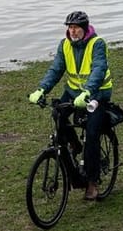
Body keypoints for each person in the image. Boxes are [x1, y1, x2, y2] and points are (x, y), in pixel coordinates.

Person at [26, 10, 115, 201]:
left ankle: (92, 182)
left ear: (84, 28)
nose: (72, 31)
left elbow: (99, 69)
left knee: (92, 133)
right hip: (74, 92)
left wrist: (88, 92)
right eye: (70, 27)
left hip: (97, 93)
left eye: (76, 28)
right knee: (58, 115)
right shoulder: (65, 44)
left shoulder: (97, 44)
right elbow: (56, 69)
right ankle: (74, 145)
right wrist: (41, 89)